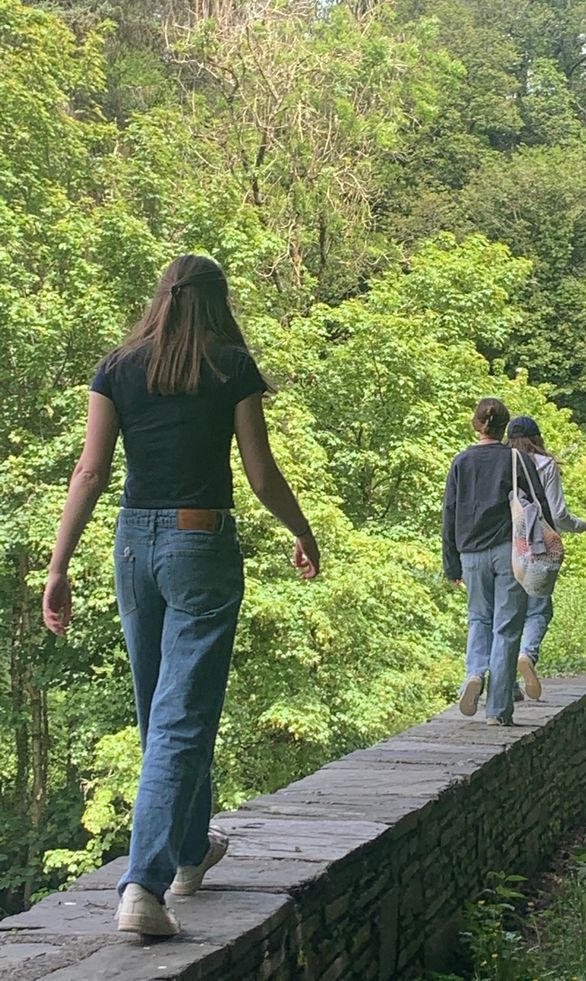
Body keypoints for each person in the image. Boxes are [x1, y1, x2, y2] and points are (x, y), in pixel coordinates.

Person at [42, 255, 320, 938]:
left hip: (133, 546)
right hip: (201, 542)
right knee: (181, 716)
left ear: (162, 296)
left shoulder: (117, 366)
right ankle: (143, 885)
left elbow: (92, 470)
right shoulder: (231, 366)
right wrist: (303, 530)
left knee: (160, 710)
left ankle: (190, 848)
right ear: (218, 302)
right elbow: (259, 473)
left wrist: (59, 563)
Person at [443, 398, 554, 726]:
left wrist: (452, 564)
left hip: (470, 553)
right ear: (504, 426)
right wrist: (545, 550)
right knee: (507, 627)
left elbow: (449, 514)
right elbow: (539, 505)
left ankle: (474, 674)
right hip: (511, 552)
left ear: (476, 424)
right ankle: (498, 710)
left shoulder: (461, 462)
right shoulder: (517, 459)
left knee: (479, 617)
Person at [506, 415, 586, 702]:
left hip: (507, 548)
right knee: (540, 611)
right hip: (538, 548)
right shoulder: (546, 465)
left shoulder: (504, 463)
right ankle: (527, 655)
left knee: (507, 617)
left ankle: (507, 685)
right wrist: (582, 525)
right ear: (538, 438)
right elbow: (557, 514)